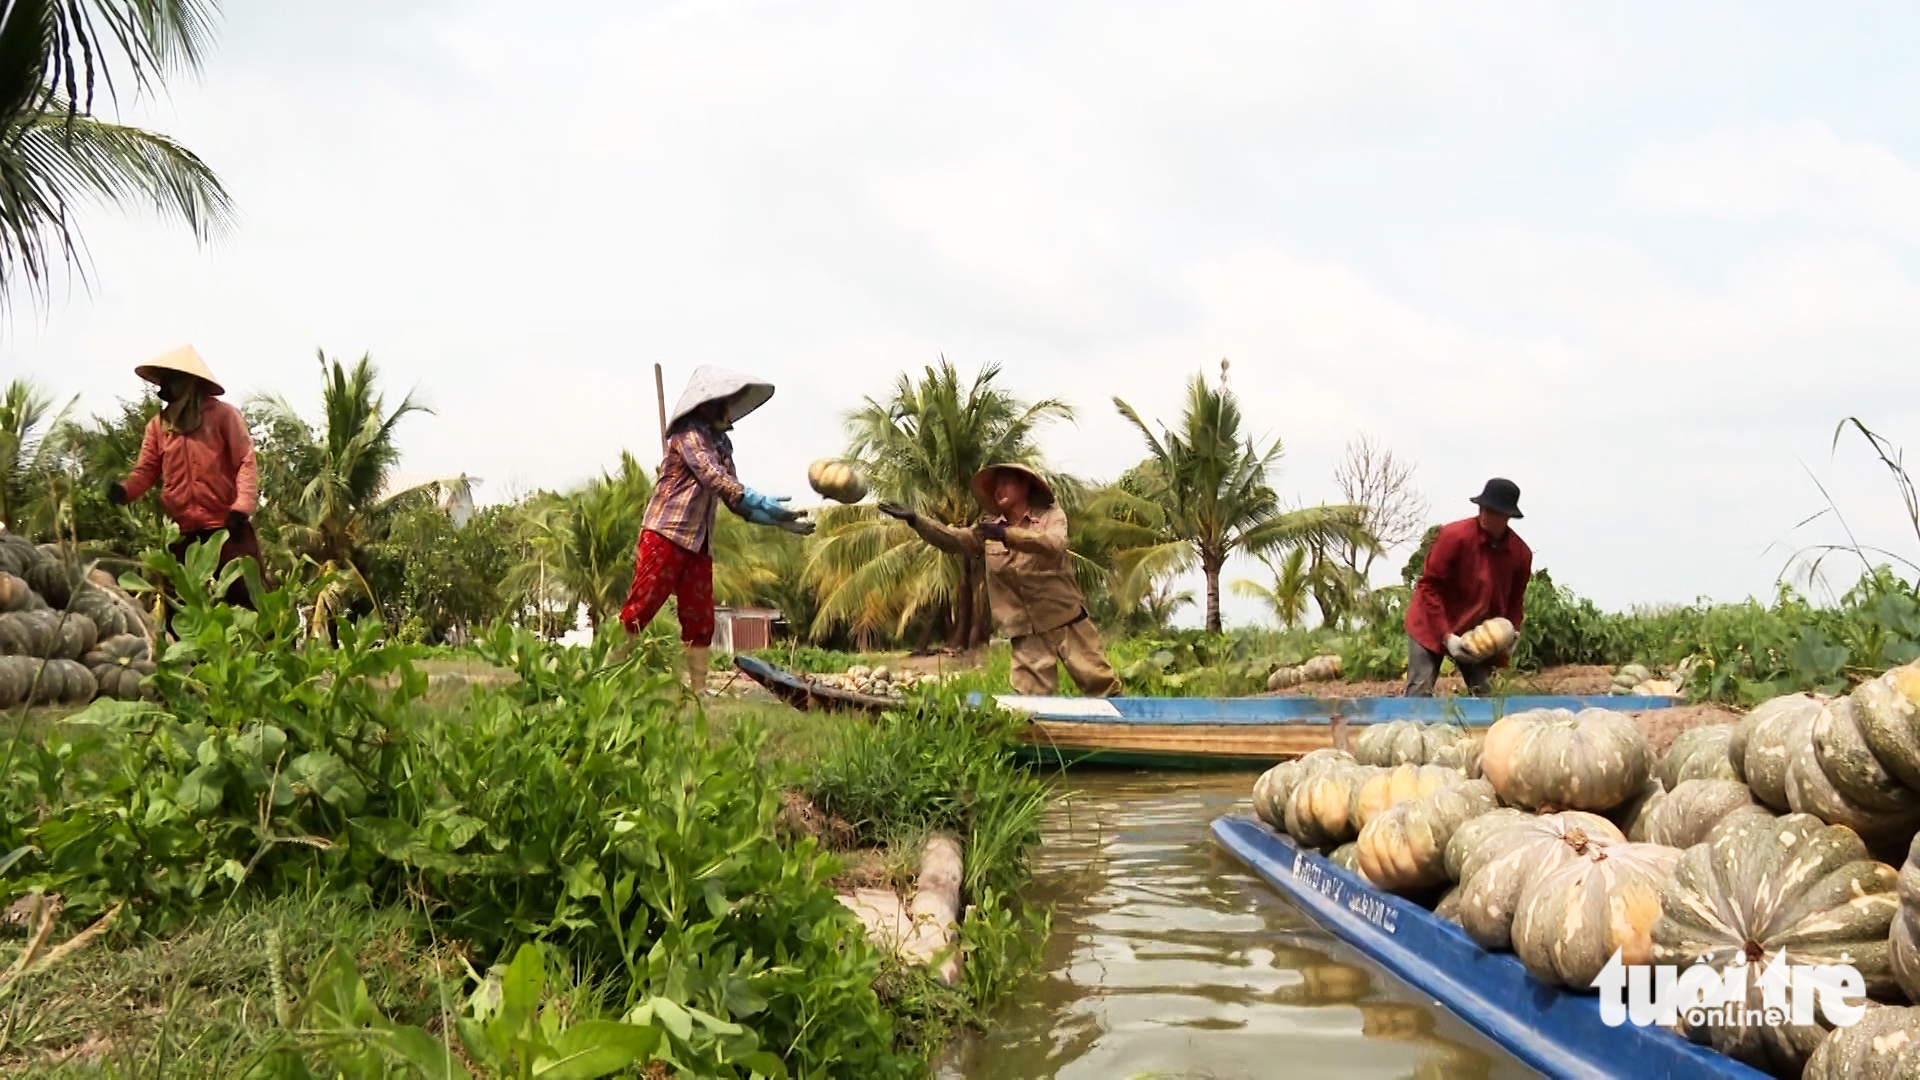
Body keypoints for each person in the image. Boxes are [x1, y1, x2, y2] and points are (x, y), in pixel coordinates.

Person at [619, 365, 812, 692]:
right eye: (725, 402)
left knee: (700, 618)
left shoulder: (721, 443)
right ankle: (609, 672)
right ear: (709, 403)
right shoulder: (688, 433)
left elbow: (733, 494)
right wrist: (758, 499)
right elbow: (712, 477)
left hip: (699, 541)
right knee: (642, 607)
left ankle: (697, 690)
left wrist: (776, 519)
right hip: (667, 531)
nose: (730, 410)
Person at [879, 463, 1119, 697]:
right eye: (995, 486)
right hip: (1026, 630)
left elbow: (1054, 544)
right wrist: (916, 521)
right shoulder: (988, 530)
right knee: (1032, 703)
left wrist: (1007, 535)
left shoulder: (1050, 517)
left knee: (1101, 685)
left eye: (1005, 483)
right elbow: (953, 539)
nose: (998, 490)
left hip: (1066, 620)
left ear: (1024, 485)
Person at [108, 345, 269, 612]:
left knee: (246, 596)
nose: (165, 389)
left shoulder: (223, 415)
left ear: (190, 382)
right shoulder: (158, 426)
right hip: (183, 532)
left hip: (227, 525)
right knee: (184, 606)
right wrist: (125, 492)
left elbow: (245, 460)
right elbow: (146, 471)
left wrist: (242, 506)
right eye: (164, 382)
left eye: (172, 381)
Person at [1404, 477, 1532, 697]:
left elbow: (1515, 601)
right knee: (1419, 693)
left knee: (1487, 695)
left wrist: (1513, 632)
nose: (1484, 514)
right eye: (1482, 508)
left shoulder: (1520, 555)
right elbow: (1428, 587)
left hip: (1477, 633)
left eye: (1492, 511)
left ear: (1507, 516)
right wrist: (1446, 636)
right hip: (1431, 623)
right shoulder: (1454, 537)